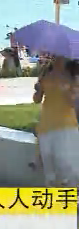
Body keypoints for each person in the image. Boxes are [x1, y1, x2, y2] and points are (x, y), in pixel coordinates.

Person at [33, 55, 79, 186]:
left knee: (67, 166)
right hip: (46, 123)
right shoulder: (46, 72)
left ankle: (71, 193)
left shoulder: (73, 75)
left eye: (60, 56)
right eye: (54, 55)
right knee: (49, 165)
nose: (56, 58)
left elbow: (73, 103)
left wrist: (66, 89)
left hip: (65, 126)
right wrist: (38, 90)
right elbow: (37, 99)